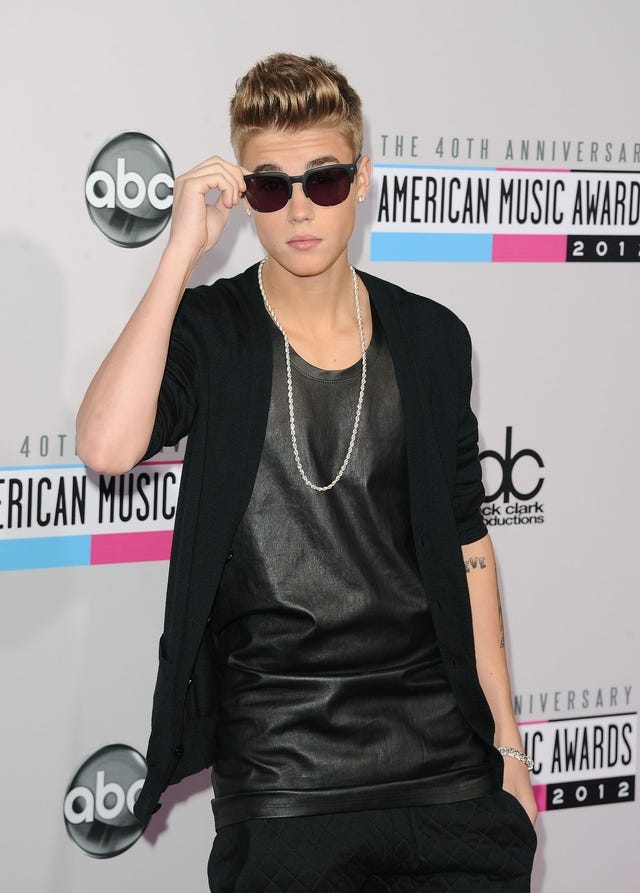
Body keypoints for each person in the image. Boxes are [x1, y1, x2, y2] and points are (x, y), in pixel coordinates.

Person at [77, 52, 538, 892]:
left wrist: (508, 744)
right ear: (244, 193)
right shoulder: (213, 332)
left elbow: (470, 547)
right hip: (283, 779)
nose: (299, 209)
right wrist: (179, 256)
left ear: (362, 181)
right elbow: (107, 445)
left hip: (447, 768)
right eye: (269, 187)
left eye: (323, 181)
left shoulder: (433, 338)